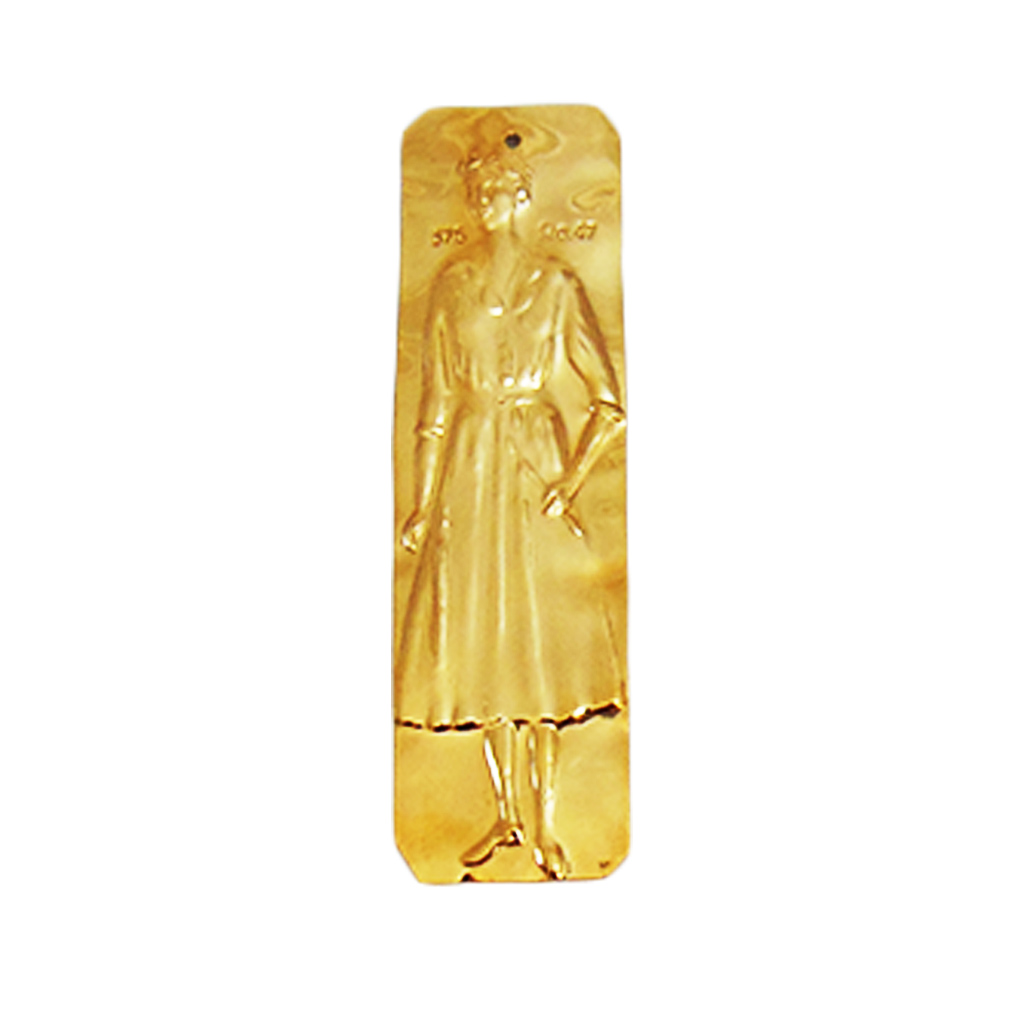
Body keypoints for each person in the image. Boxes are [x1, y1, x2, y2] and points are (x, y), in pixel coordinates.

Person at [395, 131, 625, 879]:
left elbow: (610, 404)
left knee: (538, 642)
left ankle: (548, 819)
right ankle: (505, 815)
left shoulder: (556, 285)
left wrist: (571, 480)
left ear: (522, 196)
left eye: (499, 189)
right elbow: (433, 404)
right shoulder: (451, 285)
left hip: (533, 463)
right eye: (477, 191)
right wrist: (422, 501)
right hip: (469, 467)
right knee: (483, 639)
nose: (486, 203)